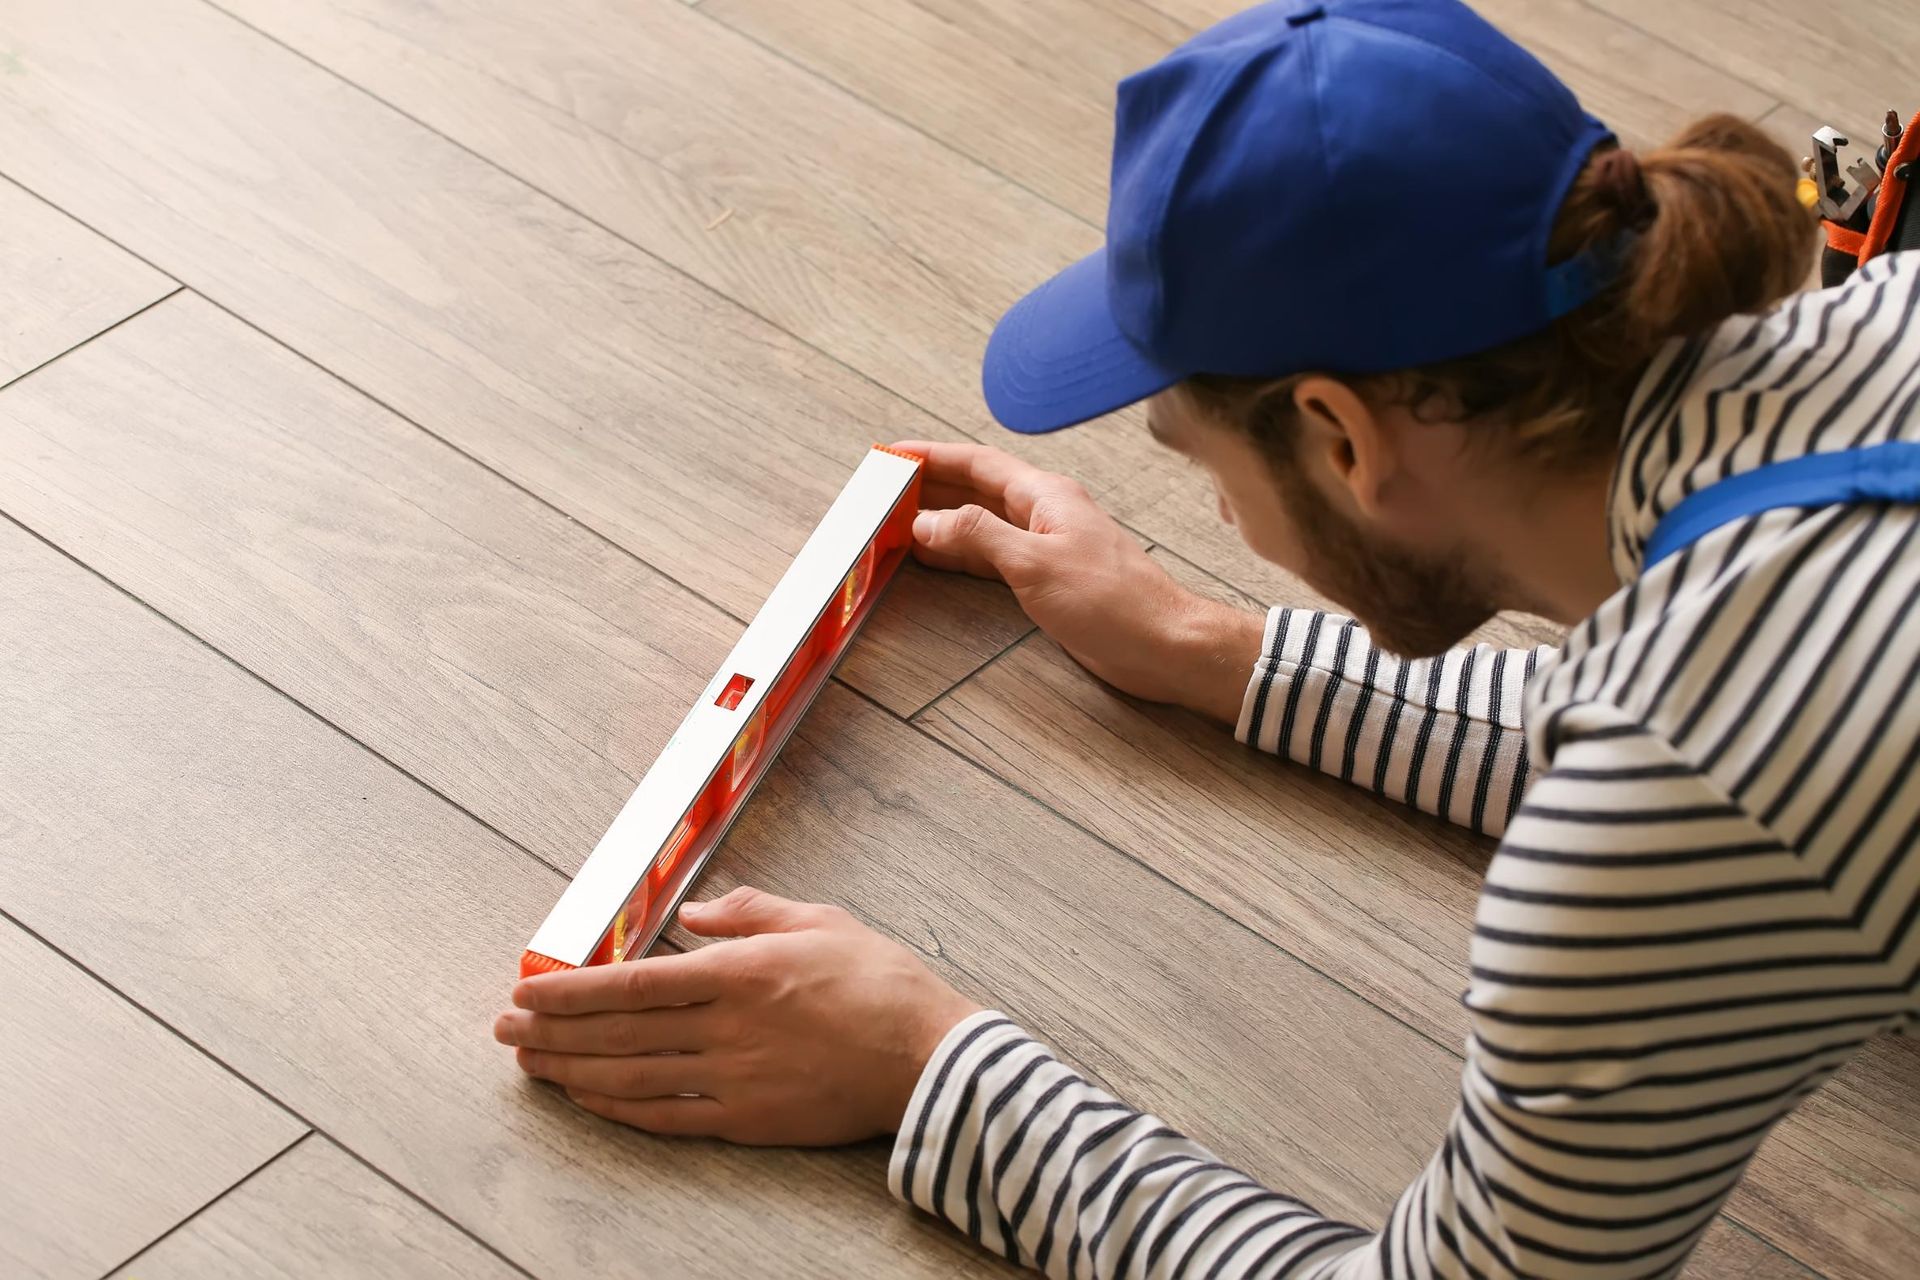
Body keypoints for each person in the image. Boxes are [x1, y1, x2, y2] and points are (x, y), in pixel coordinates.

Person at [493, 1, 1920, 1274]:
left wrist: (927, 1068)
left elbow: (1706, 779)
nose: (1229, 520)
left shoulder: (1669, 808)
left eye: (1199, 461)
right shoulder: (1875, 326)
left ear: (1340, 435)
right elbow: (1731, 737)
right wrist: (1207, 650)